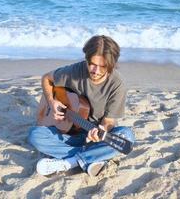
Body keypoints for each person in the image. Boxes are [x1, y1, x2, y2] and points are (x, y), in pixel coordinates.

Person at [28, 35, 135, 177]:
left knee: (126, 137)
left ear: (112, 64)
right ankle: (92, 157)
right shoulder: (75, 71)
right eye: (92, 64)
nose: (96, 71)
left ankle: (70, 162)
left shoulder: (117, 84)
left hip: (95, 135)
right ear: (86, 58)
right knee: (35, 135)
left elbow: (108, 121)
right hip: (69, 134)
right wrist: (51, 102)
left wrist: (101, 130)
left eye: (102, 66)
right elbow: (46, 79)